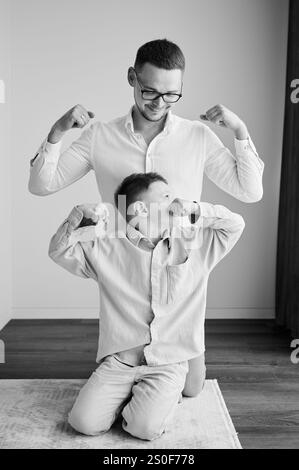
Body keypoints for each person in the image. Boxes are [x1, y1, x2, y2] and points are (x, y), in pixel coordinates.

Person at [28, 38, 264, 397]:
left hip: (179, 273)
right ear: (131, 78)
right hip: (124, 268)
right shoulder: (99, 136)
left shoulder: (197, 136)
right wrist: (56, 133)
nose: (159, 103)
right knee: (117, 384)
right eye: (150, 91)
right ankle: (127, 368)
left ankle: (165, 366)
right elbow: (42, 185)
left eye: (172, 95)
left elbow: (250, 192)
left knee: (191, 390)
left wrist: (240, 132)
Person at [48, 172, 245, 441]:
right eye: (165, 196)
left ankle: (171, 387)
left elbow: (236, 225)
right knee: (83, 422)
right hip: (121, 361)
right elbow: (58, 251)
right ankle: (138, 395)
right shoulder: (106, 247)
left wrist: (197, 209)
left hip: (169, 360)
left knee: (144, 428)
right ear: (140, 208)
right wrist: (75, 220)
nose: (175, 200)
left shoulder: (195, 243)